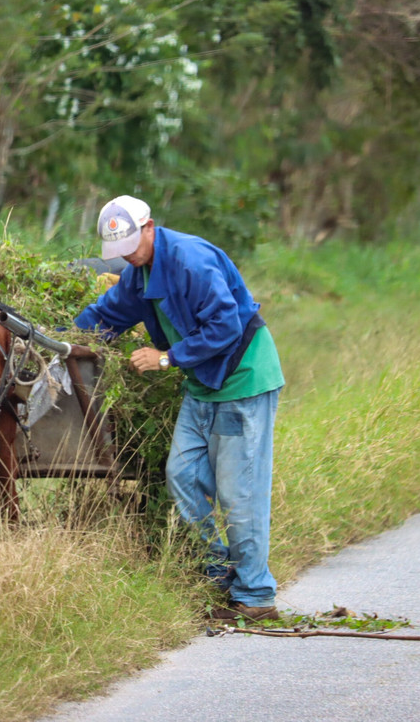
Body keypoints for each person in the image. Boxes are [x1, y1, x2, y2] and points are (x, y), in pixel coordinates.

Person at [74, 195, 285, 622]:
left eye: (132, 245)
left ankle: (256, 597)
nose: (128, 256)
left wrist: (166, 358)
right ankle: (219, 573)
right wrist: (56, 338)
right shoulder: (139, 272)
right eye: (120, 253)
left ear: (149, 226)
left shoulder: (191, 260)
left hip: (241, 379)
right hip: (203, 383)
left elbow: (226, 325)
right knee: (182, 476)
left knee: (238, 494)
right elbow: (109, 314)